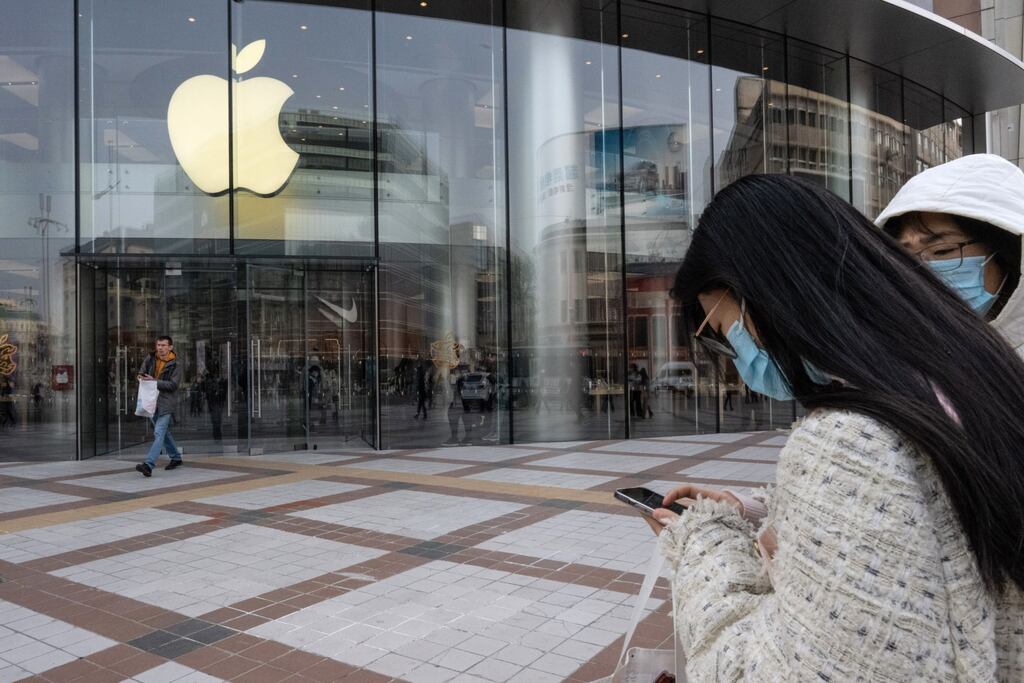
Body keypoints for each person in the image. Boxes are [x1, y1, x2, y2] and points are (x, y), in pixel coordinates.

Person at [644, 175, 1024, 680]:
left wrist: (702, 544)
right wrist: (763, 508)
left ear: (766, 295)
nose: (737, 357)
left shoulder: (852, 436)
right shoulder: (983, 377)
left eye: (723, 333)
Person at [875, 153, 1024, 354]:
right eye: (905, 257)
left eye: (942, 250)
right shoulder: (894, 352)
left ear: (1008, 253)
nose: (922, 271)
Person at [135, 335, 183, 477]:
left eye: (163, 345)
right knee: (163, 432)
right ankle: (176, 457)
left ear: (170, 347)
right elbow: (140, 373)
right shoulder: (150, 358)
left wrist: (154, 381)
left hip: (166, 402)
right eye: (158, 345)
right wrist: (141, 377)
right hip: (150, 401)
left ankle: (149, 465)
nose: (160, 348)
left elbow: (173, 385)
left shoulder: (176, 364)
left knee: (159, 432)